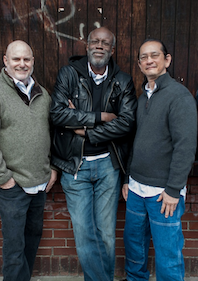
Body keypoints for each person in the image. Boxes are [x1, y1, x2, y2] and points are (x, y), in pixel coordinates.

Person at [50, 27, 137, 281]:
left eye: (105, 43)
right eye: (95, 41)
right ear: (87, 45)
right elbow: (57, 114)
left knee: (106, 234)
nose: (100, 46)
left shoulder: (123, 81)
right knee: (85, 233)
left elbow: (127, 123)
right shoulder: (69, 74)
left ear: (112, 49)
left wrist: (86, 132)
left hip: (108, 167)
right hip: (75, 167)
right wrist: (100, 117)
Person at [0, 40, 57, 281]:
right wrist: (4, 179)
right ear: (5, 61)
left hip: (40, 183)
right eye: (16, 59)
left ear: (33, 62)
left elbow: (53, 135)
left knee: (32, 239)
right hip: (12, 186)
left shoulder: (43, 95)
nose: (22, 64)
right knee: (14, 248)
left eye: (27, 59)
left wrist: (52, 167)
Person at [121, 39, 197, 281]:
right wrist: (127, 179)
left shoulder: (179, 96)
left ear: (167, 59)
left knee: (168, 255)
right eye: (144, 57)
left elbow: (185, 147)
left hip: (163, 194)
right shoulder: (142, 96)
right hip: (135, 189)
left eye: (154, 55)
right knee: (134, 249)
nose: (149, 60)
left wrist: (173, 190)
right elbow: (136, 141)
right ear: (140, 64)